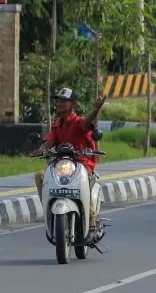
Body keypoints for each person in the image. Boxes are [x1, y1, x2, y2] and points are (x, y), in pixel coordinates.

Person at [32, 87, 107, 224]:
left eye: (64, 101)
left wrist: (96, 110)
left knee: (85, 182)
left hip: (82, 165)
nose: (60, 104)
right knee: (40, 176)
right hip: (61, 167)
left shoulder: (78, 122)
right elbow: (49, 142)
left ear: (72, 104)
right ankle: (48, 208)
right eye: (59, 101)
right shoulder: (57, 125)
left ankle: (91, 218)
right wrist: (40, 150)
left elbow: (86, 122)